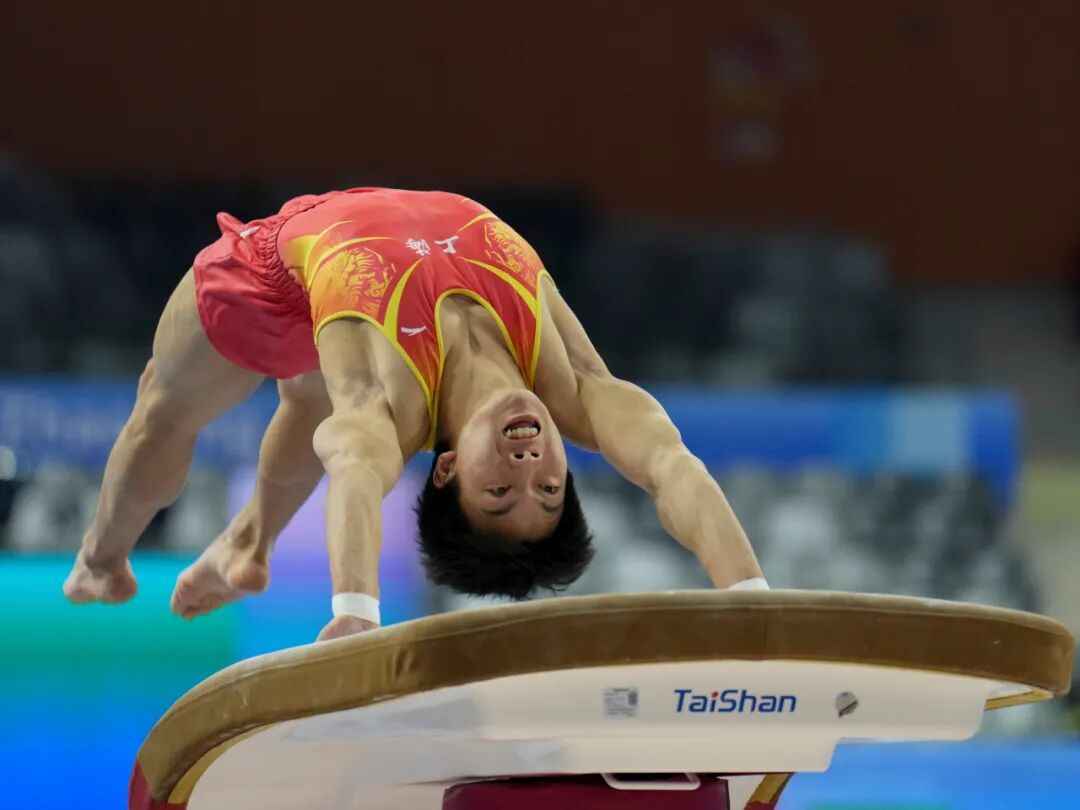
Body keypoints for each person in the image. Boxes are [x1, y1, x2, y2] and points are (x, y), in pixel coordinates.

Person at [62, 188, 766, 641]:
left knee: (167, 406)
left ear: (448, 469)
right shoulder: (573, 386)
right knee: (302, 393)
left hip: (270, 277)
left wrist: (355, 613)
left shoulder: (389, 408)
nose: (528, 466)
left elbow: (355, 476)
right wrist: (753, 597)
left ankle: (101, 559)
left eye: (500, 491)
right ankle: (248, 544)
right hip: (330, 259)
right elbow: (670, 465)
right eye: (549, 488)